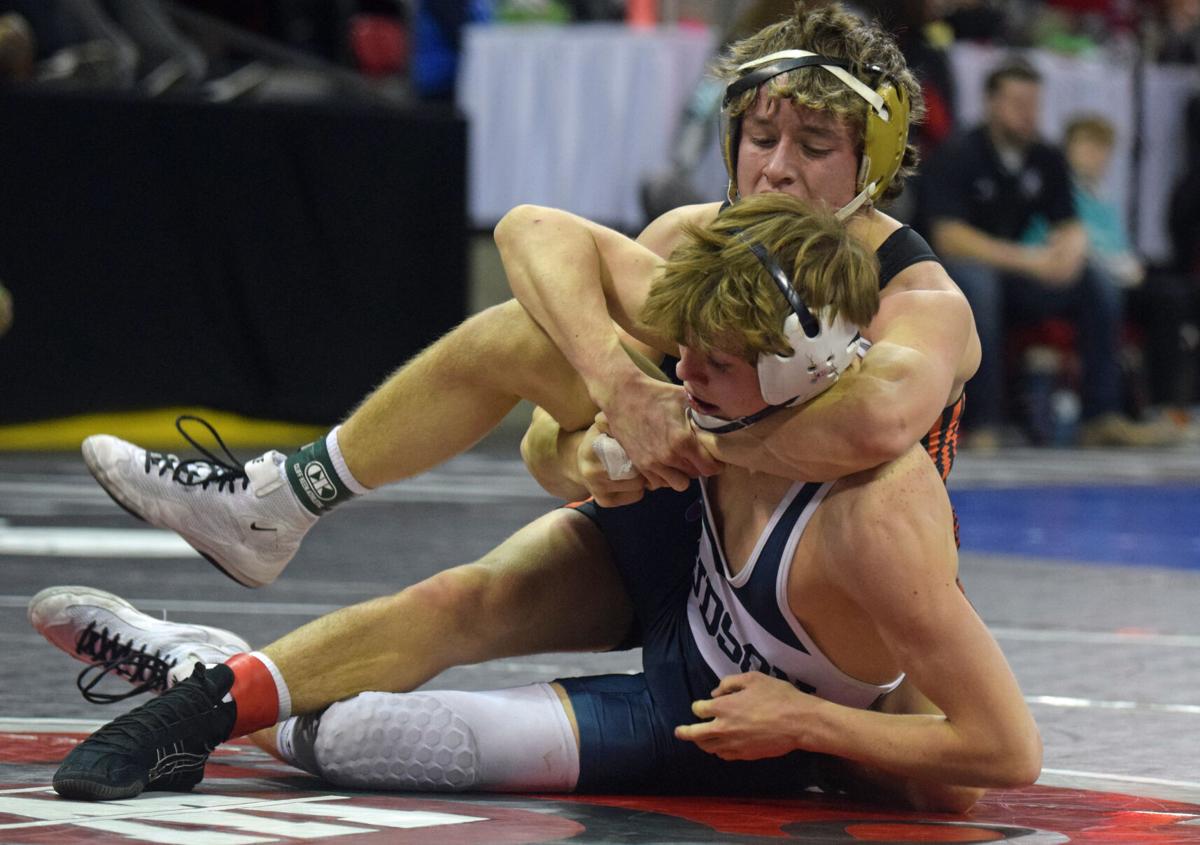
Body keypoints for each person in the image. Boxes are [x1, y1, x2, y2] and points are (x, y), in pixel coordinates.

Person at [34, 194, 1041, 810]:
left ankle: (191, 653)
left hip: (729, 706)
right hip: (690, 554)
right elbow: (534, 230)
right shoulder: (731, 352)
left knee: (374, 744)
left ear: (801, 370)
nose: (683, 369)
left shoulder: (877, 518)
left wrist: (815, 726)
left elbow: (1005, 749)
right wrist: (612, 407)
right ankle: (222, 637)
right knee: (470, 540)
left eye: (714, 362)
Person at [78, 0, 978, 591]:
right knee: (467, 571)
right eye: (760, 133)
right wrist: (604, 428)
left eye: (814, 144)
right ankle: (255, 574)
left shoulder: (916, 294)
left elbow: (867, 433)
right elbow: (548, 442)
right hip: (691, 547)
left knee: (937, 775)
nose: (776, 166)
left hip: (827, 581)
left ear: (876, 161)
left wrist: (687, 432)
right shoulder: (690, 239)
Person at [919, 56, 1159, 449]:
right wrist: (1030, 260)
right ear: (992, 103)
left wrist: (1070, 252)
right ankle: (982, 422)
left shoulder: (1046, 158)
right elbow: (950, 238)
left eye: (1034, 104)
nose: (1028, 114)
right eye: (1018, 103)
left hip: (1022, 277)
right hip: (958, 275)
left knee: (1096, 279)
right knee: (980, 286)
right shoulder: (958, 154)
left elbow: (1069, 223)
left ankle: (1101, 415)